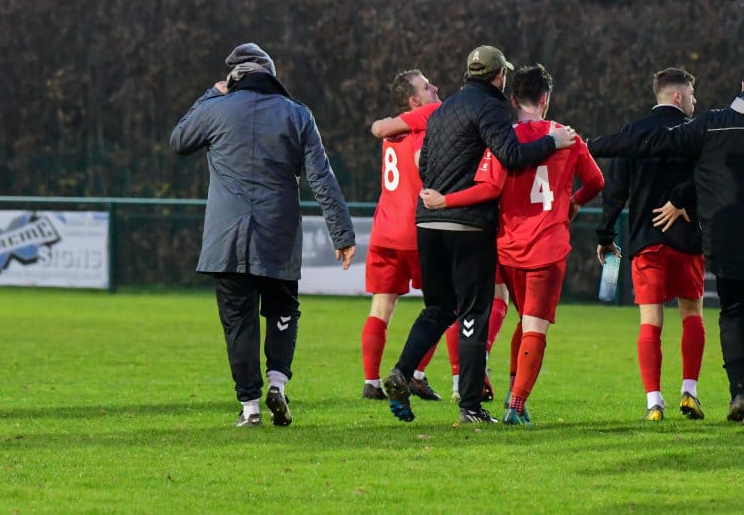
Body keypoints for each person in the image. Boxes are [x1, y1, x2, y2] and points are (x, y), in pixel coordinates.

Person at [588, 61, 744, 427]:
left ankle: (730, 392)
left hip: (716, 238)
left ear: (742, 86)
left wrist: (593, 145)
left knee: (729, 314)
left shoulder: (714, 124)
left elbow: (654, 147)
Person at [382, 45, 577, 424]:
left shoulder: (445, 109)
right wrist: (552, 143)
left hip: (428, 222)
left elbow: (425, 163)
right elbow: (511, 155)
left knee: (438, 309)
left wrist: (441, 196)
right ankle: (470, 407)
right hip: (467, 225)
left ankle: (402, 371)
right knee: (474, 312)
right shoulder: (491, 108)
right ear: (499, 76)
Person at [170, 43, 356, 427]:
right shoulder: (298, 114)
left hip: (227, 239)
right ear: (271, 74)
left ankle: (250, 407)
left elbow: (179, 140)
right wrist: (341, 233)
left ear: (233, 77)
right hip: (278, 235)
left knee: (238, 321)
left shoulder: (215, 109)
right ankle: (278, 384)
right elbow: (322, 178)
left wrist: (210, 94)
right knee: (283, 310)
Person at [421, 64, 604, 425]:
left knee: (513, 317)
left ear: (514, 100)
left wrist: (446, 200)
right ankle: (516, 405)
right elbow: (597, 181)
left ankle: (498, 386)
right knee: (534, 326)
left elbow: (487, 188)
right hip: (547, 249)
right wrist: (574, 202)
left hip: (507, 248)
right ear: (545, 99)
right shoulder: (567, 137)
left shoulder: (502, 140)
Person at [595, 68, 706, 422]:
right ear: (678, 96)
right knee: (692, 314)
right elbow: (708, 177)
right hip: (687, 239)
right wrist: (685, 202)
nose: (694, 101)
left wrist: (606, 234)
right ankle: (689, 392)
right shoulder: (695, 133)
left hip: (646, 239)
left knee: (650, 321)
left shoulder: (632, 134)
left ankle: (654, 402)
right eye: (691, 95)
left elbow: (615, 191)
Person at [360, 69, 445, 402]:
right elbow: (423, 163)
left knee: (380, 307)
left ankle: (371, 382)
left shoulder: (391, 132)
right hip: (416, 230)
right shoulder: (423, 126)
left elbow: (380, 127)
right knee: (443, 306)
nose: (434, 87)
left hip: (384, 230)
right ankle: (416, 375)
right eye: (426, 86)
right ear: (414, 100)